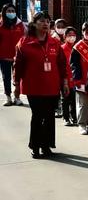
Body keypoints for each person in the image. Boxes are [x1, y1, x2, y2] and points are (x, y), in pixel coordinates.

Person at [13, 11, 68, 158]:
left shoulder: (55, 43)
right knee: (38, 115)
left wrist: (65, 81)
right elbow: (17, 65)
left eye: (48, 21)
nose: (45, 24)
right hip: (34, 86)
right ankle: (35, 146)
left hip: (52, 86)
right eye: (42, 21)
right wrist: (16, 83)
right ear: (34, 24)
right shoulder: (24, 43)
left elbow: (62, 64)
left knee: (49, 116)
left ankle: (47, 146)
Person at [70, 22, 88, 135]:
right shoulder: (77, 47)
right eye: (87, 32)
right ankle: (82, 124)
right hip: (81, 80)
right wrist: (77, 79)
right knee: (83, 104)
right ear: (82, 32)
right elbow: (74, 65)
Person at [0, 3, 26, 106]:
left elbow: (25, 38)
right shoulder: (1, 25)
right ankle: (8, 97)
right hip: (4, 56)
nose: (11, 13)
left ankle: (17, 97)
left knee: (18, 78)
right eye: (8, 11)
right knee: (6, 77)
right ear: (4, 13)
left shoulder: (20, 24)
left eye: (13, 11)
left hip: (18, 57)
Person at [61, 27, 78, 126]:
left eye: (73, 35)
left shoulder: (77, 48)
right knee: (65, 98)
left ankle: (74, 117)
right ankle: (66, 117)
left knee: (74, 99)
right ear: (65, 37)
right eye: (69, 35)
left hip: (75, 78)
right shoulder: (62, 49)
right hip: (65, 78)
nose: (72, 37)